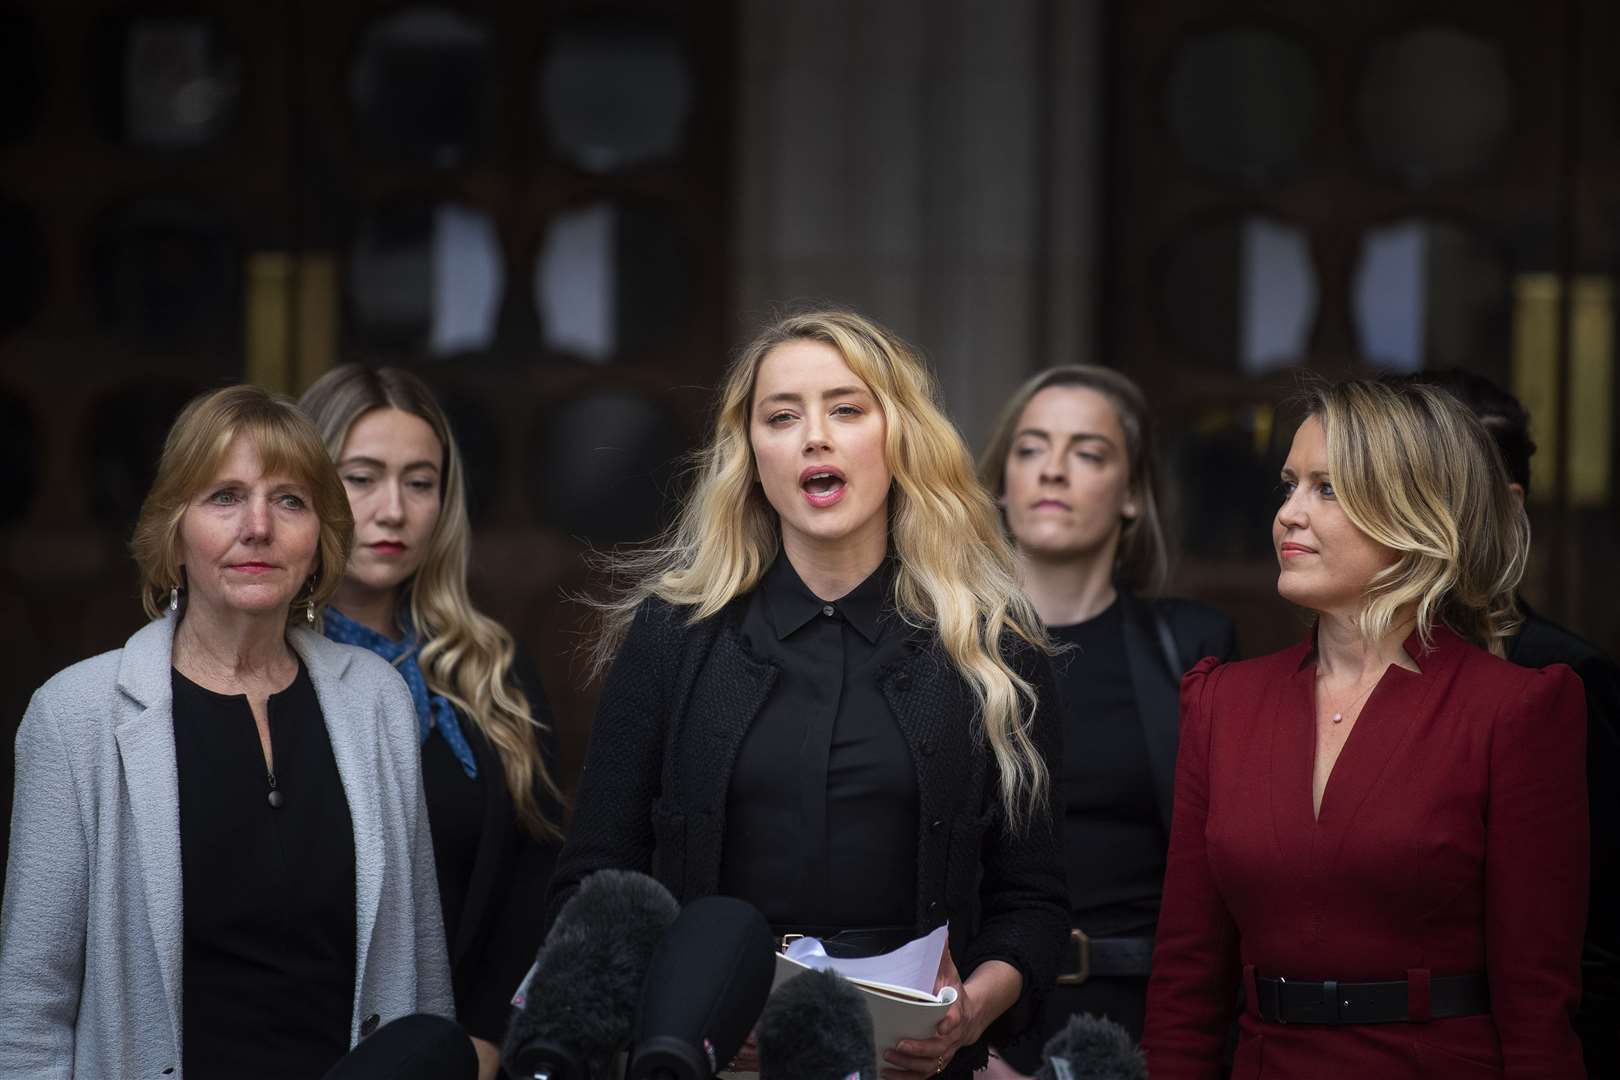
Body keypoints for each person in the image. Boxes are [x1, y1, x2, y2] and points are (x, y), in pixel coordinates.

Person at [546, 308, 1069, 1079]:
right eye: (781, 416)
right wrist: (689, 1005)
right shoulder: (672, 635)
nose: (813, 436)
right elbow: (594, 878)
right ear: (752, 455)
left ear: (899, 437)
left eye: (847, 409)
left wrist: (969, 1012)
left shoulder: (996, 647)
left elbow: (1036, 900)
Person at [0, 385, 452, 1079]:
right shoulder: (76, 716)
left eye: (290, 501)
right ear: (173, 529)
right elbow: (29, 1012)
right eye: (224, 497)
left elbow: (421, 981)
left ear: (319, 539)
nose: (259, 526)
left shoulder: (377, 701)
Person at [1142, 379, 1588, 1078]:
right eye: (1289, 486)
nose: (1289, 514)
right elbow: (1185, 985)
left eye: (1328, 489)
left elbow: (1538, 1003)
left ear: (1416, 511)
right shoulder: (1224, 703)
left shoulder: (1514, 711)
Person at [298, 365, 565, 1080]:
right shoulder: (261, 670)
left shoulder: (490, 670)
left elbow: (536, 876)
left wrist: (487, 1037)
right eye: (361, 478)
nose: (393, 510)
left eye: (420, 482)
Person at [976, 367, 1236, 1066]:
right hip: (978, 1018)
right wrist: (960, 1052)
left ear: (1132, 495)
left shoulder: (1194, 647)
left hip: (1147, 1019)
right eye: (1030, 449)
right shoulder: (937, 649)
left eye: (1088, 453)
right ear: (1002, 482)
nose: (1053, 470)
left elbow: (1225, 877)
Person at [1397, 368, 1620, 1075]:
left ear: (1501, 505)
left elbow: (1596, 938)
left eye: (1427, 486)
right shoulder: (1329, 673)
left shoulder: (1562, 678)